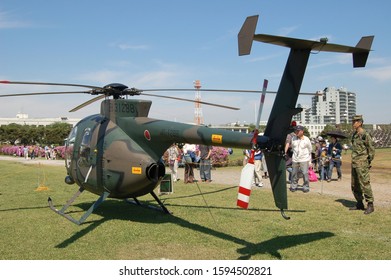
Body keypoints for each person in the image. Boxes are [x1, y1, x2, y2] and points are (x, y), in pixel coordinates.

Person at [350, 115, 375, 214]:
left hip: (362, 163)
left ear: (360, 122)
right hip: (355, 162)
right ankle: (359, 203)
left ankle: (370, 204)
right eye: (353, 122)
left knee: (364, 184)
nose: (353, 123)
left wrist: (367, 161)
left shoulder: (365, 134)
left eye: (355, 122)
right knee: (354, 184)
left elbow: (371, 150)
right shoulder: (354, 135)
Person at [289, 125, 312, 193]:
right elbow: (293, 148)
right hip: (295, 159)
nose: (296, 132)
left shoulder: (306, 139)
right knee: (294, 173)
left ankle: (306, 187)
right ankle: (293, 186)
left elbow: (310, 149)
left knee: (305, 173)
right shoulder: (293, 138)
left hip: (304, 159)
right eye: (296, 131)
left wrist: (309, 160)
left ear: (302, 131)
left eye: (298, 131)